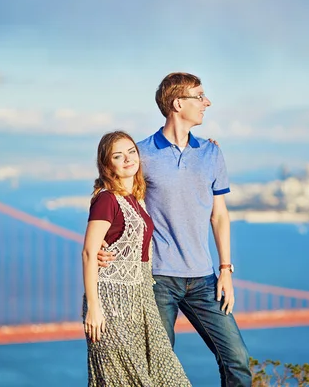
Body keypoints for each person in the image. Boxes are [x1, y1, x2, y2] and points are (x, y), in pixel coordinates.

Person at [99, 73, 252, 386]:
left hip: (204, 279)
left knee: (238, 361)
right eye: (200, 96)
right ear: (177, 103)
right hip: (157, 279)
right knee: (157, 369)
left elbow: (219, 215)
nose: (207, 103)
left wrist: (225, 270)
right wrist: (104, 246)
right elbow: (118, 202)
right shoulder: (141, 155)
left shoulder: (212, 153)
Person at [81, 130, 191, 386]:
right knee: (124, 379)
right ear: (108, 165)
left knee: (168, 375)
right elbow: (89, 252)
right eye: (118, 156)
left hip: (141, 301)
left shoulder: (135, 198)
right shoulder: (106, 200)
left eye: (131, 152)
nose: (128, 159)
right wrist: (94, 310)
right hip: (111, 304)